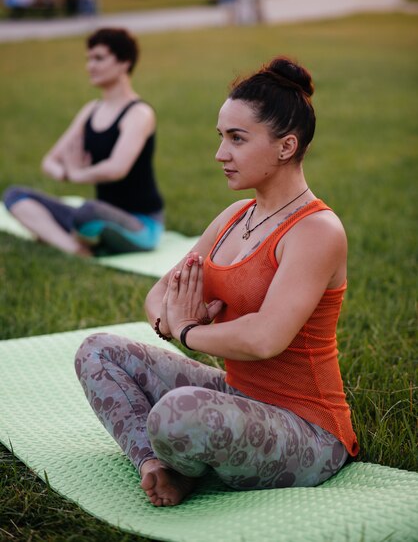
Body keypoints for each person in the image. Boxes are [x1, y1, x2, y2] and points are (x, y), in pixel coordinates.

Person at [74, 56, 359, 507]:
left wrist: (189, 330)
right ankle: (158, 466)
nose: (220, 153)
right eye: (221, 137)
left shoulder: (316, 232)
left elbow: (266, 338)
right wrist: (174, 321)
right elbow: (157, 296)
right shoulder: (235, 218)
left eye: (237, 139)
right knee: (98, 351)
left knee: (176, 413)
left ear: (285, 147)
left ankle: (182, 459)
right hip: (236, 398)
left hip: (307, 430)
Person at [3, 27, 164, 256]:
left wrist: (79, 174)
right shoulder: (91, 110)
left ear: (124, 63)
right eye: (88, 59)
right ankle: (75, 249)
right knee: (15, 195)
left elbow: (117, 168)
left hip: (140, 226)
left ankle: (65, 238)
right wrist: (66, 173)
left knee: (86, 212)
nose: (90, 66)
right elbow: (49, 161)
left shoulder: (139, 113)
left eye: (99, 58)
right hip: (98, 217)